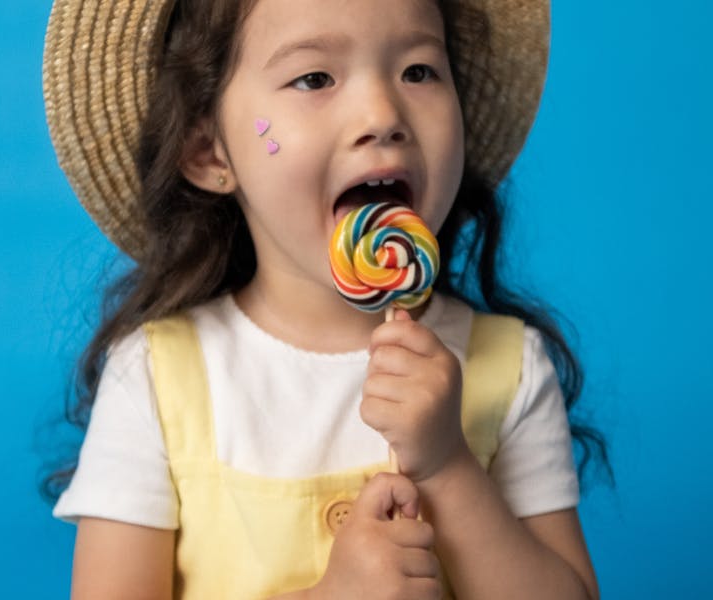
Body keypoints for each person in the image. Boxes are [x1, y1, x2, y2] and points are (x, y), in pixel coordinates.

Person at [42, 0, 609, 598]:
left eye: (418, 71)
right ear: (208, 150)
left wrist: (448, 465)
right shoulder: (158, 381)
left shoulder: (509, 368)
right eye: (314, 78)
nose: (382, 114)